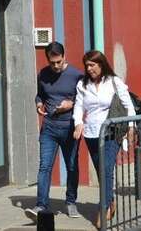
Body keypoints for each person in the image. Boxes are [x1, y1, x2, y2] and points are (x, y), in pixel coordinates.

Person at [73, 50, 135, 228]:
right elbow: (78, 106)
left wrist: (131, 127)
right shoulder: (83, 85)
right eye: (87, 66)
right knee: (102, 171)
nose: (89, 68)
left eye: (92, 65)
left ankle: (104, 207)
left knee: (106, 168)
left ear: (101, 64)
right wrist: (78, 123)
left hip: (111, 132)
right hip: (91, 134)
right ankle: (111, 200)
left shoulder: (114, 82)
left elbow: (128, 105)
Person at [26, 41, 85, 220]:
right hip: (49, 127)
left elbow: (85, 99)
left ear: (64, 56)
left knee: (72, 166)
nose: (56, 66)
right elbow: (40, 94)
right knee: (44, 166)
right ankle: (41, 205)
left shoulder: (76, 75)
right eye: (52, 63)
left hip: (69, 128)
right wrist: (38, 104)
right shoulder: (43, 74)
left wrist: (71, 104)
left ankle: (71, 202)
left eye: (59, 62)